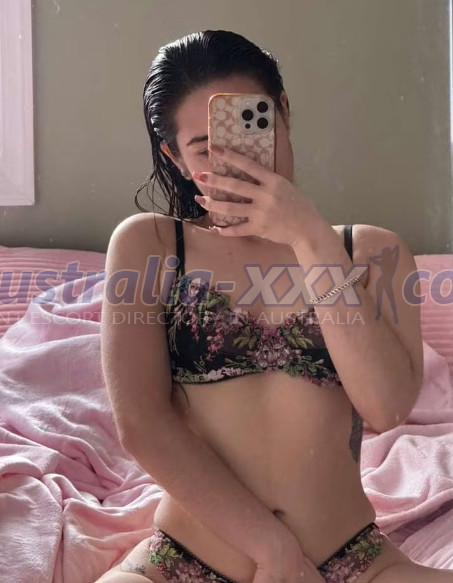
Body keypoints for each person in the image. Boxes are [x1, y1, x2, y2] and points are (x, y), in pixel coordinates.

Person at [97, 30, 453, 583]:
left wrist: (309, 237)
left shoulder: (373, 252)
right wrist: (275, 551)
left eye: (251, 130)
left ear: (282, 111)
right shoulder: (150, 244)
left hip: (352, 562)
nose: (236, 161)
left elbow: (385, 408)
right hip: (182, 562)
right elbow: (142, 425)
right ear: (176, 158)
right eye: (206, 149)